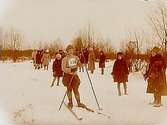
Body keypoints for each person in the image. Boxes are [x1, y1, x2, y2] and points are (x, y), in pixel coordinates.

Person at [62, 45, 85, 109]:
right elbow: (63, 68)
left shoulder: (76, 57)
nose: (71, 51)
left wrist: (82, 63)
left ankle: (79, 102)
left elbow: (79, 65)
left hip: (75, 76)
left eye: (72, 50)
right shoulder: (65, 59)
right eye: (69, 50)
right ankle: (70, 102)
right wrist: (71, 70)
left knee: (76, 89)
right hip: (68, 76)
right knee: (69, 89)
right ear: (67, 51)